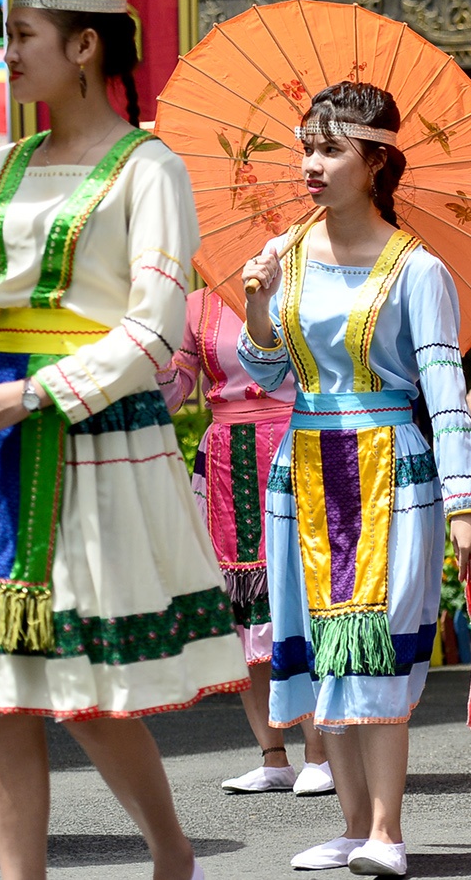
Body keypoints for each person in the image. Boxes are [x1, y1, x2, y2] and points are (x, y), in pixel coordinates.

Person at [0, 0, 247, 880]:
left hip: (87, 434)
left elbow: (156, 326)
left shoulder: (150, 166)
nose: (4, 56)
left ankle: (172, 851)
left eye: (20, 37)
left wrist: (34, 392)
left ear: (85, 46)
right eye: (3, 37)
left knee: (85, 689)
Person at [238, 81, 471, 878]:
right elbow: (269, 369)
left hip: (389, 470)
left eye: (330, 148)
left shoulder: (418, 270)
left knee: (372, 646)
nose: (311, 164)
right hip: (303, 465)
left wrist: (465, 505)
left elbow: (446, 395)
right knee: (319, 648)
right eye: (307, 147)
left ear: (376, 161)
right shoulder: (288, 256)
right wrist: (255, 307)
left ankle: (386, 829)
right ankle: (349, 825)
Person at [158, 287, 331, 798]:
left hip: (293, 445)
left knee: (297, 599)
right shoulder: (197, 304)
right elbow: (172, 392)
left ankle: (319, 752)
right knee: (241, 608)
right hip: (225, 457)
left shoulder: (299, 284)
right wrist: (149, 350)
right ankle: (272, 755)